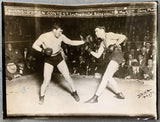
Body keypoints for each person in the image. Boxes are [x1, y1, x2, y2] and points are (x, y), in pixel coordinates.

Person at [32, 23, 85, 104]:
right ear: (54, 30)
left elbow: (71, 42)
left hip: (58, 58)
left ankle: (74, 92)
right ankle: (42, 96)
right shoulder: (44, 36)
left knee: (67, 77)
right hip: (49, 59)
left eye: (61, 31)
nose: (60, 33)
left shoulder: (61, 36)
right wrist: (42, 50)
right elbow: (34, 45)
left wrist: (83, 42)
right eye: (59, 31)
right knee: (46, 80)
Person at [85, 26, 126, 103]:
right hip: (112, 57)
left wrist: (115, 45)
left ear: (102, 30)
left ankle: (95, 97)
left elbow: (123, 37)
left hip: (117, 55)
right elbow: (98, 55)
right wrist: (90, 51)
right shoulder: (102, 43)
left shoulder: (109, 35)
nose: (95, 33)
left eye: (97, 31)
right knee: (109, 77)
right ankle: (120, 94)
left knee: (105, 77)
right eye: (95, 32)